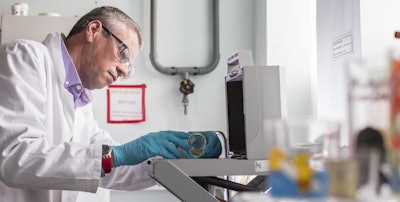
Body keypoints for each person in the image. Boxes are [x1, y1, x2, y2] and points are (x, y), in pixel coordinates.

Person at [0, 6, 222, 202]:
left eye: (130, 67)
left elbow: (110, 168)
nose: (124, 70)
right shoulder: (26, 56)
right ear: (94, 30)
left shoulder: (81, 101)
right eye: (123, 53)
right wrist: (115, 155)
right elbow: (16, 157)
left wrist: (173, 161)